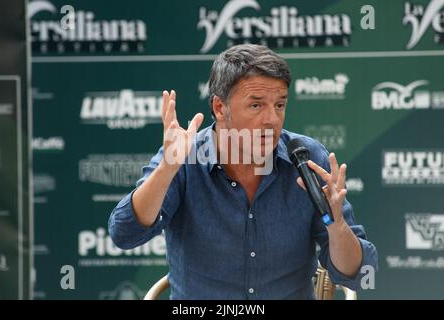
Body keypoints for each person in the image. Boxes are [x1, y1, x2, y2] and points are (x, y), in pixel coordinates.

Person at [108, 44, 378, 299]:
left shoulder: (306, 158)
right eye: (256, 105)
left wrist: (337, 225)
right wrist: (167, 169)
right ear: (219, 108)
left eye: (280, 105)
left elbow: (358, 273)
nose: (272, 119)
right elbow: (125, 234)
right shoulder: (184, 157)